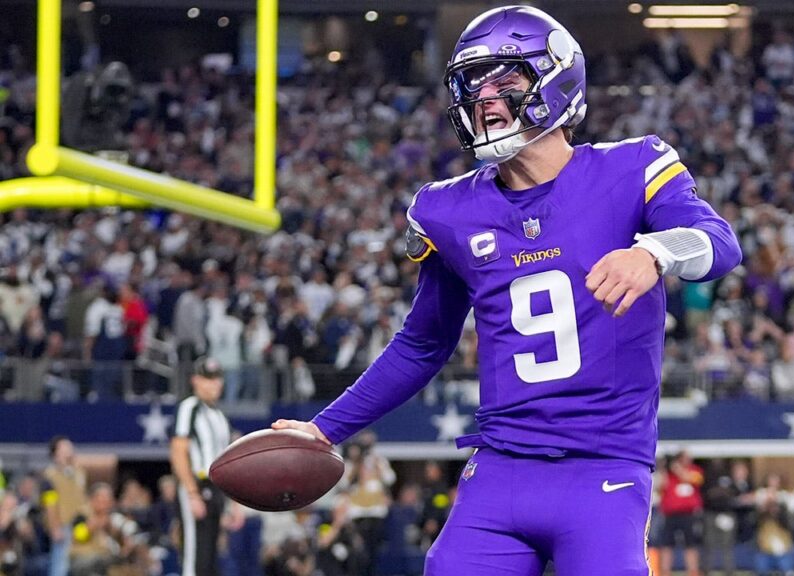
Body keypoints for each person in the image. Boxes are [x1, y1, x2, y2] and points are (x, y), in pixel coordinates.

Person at [272, 5, 742, 576]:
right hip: (500, 470)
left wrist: (653, 251)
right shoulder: (448, 209)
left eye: (506, 80)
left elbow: (719, 242)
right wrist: (325, 428)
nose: (485, 98)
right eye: (474, 85)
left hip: (604, 467)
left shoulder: (632, 168)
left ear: (557, 79)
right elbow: (423, 344)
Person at [169, 356, 239, 576]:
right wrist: (191, 492)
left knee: (210, 559)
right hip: (197, 484)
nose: (215, 384)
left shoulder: (219, 416)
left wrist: (234, 503)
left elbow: (228, 461)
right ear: (195, 380)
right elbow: (178, 451)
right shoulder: (189, 408)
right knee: (195, 557)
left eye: (217, 378)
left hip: (217, 489)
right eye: (208, 379)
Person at [41, 436, 89, 576]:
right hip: (63, 525)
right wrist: (54, 527)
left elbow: (82, 497)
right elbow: (50, 504)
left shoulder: (79, 473)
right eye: (65, 447)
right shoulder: (50, 476)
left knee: (81, 563)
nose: (70, 450)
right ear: (56, 453)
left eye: (70, 447)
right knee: (60, 565)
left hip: (81, 524)